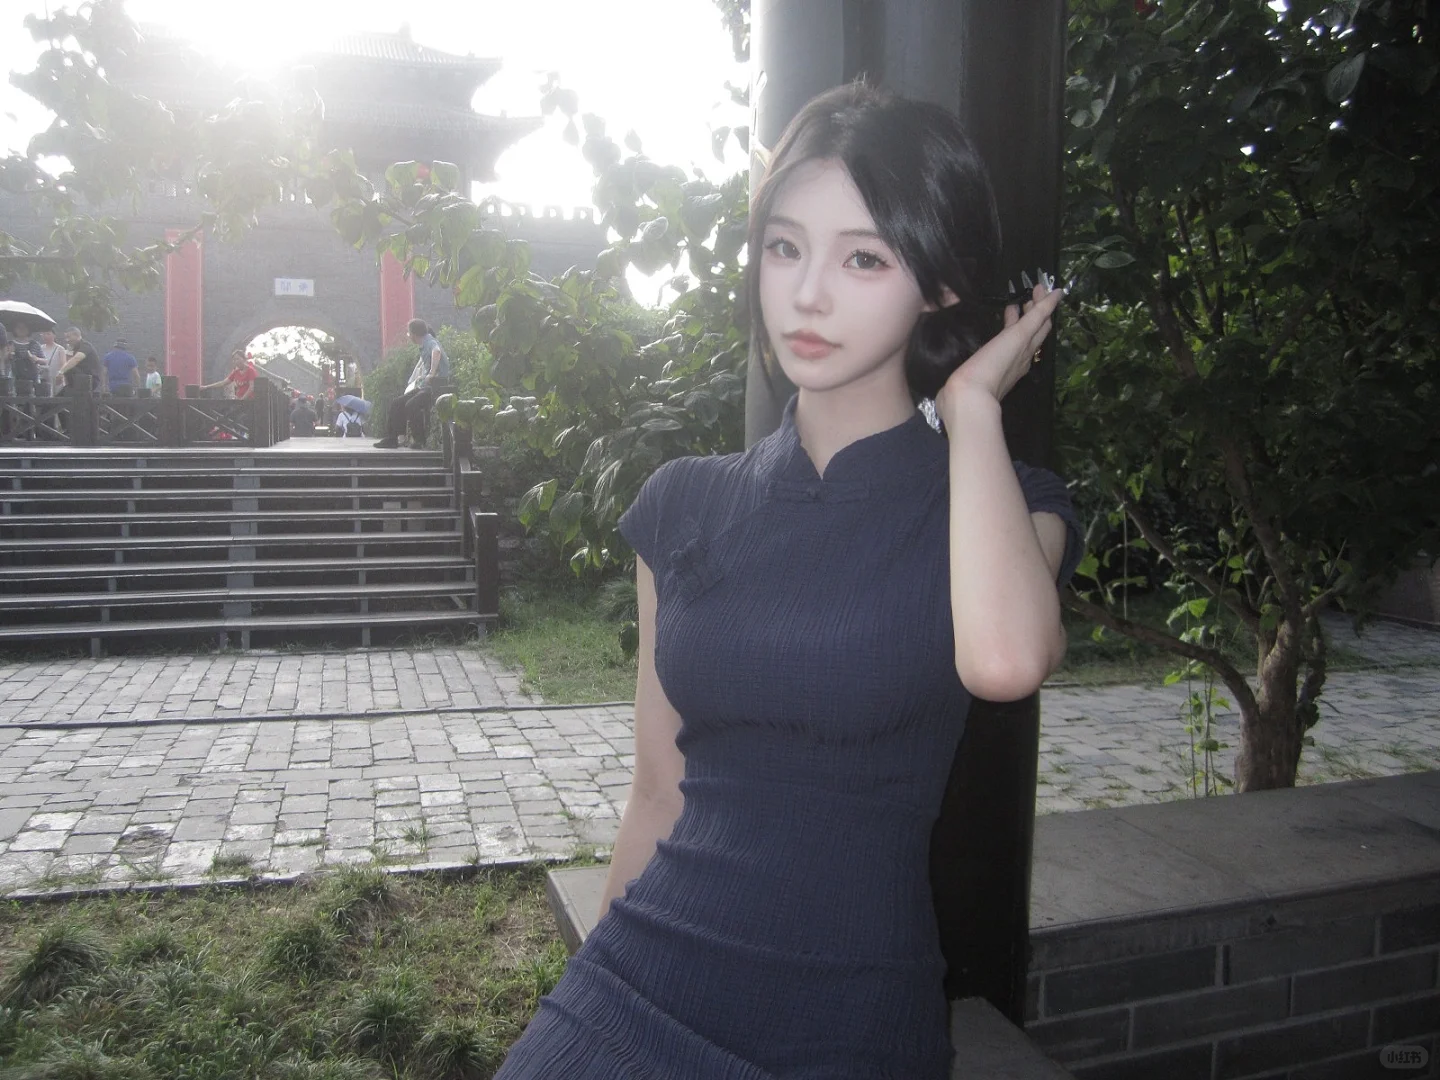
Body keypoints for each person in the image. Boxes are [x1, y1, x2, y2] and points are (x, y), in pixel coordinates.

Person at [492, 83, 1084, 1080]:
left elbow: (1005, 662)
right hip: (632, 989)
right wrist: (584, 993)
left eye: (864, 258)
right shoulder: (684, 502)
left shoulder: (1004, 508)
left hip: (842, 1022)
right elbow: (657, 791)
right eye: (783, 247)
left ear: (939, 286)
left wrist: (973, 407)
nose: (807, 294)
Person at [373, 318, 449, 449]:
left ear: (414, 334)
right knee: (397, 403)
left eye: (409, 333)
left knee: (411, 404)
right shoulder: (425, 343)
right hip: (426, 387)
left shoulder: (430, 342)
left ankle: (419, 441)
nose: (409, 336)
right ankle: (392, 438)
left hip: (436, 387)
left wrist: (431, 373)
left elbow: (436, 351)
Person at [57, 328, 101, 394]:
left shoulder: (85, 345)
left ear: (77, 335)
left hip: (90, 379)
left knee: (69, 368)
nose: (67, 340)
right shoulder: (75, 348)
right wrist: (69, 351)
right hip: (78, 379)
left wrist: (61, 372)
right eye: (66, 338)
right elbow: (68, 363)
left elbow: (76, 359)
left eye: (69, 337)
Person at [6, 319, 44, 390]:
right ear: (14, 329)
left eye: (24, 327)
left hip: (32, 379)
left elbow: (45, 361)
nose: (21, 329)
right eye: (19, 327)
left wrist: (36, 359)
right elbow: (3, 360)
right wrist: (8, 354)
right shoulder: (9, 344)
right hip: (14, 379)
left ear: (29, 329)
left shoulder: (35, 344)